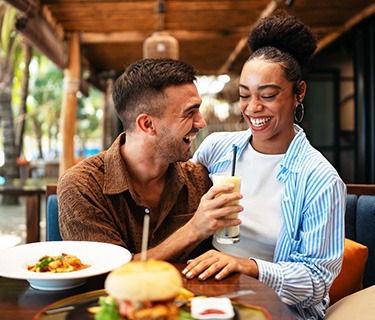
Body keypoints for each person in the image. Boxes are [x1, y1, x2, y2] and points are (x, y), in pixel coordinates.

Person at [182, 11, 346, 319]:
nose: (253, 108)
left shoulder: (320, 179)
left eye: (268, 95)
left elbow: (316, 282)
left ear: (299, 93)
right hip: (211, 294)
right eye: (245, 95)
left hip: (281, 309)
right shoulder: (217, 148)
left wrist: (248, 266)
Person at [57, 58, 243, 263]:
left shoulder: (199, 180)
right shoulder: (82, 186)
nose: (201, 122)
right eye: (190, 112)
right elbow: (106, 271)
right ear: (147, 124)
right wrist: (193, 230)